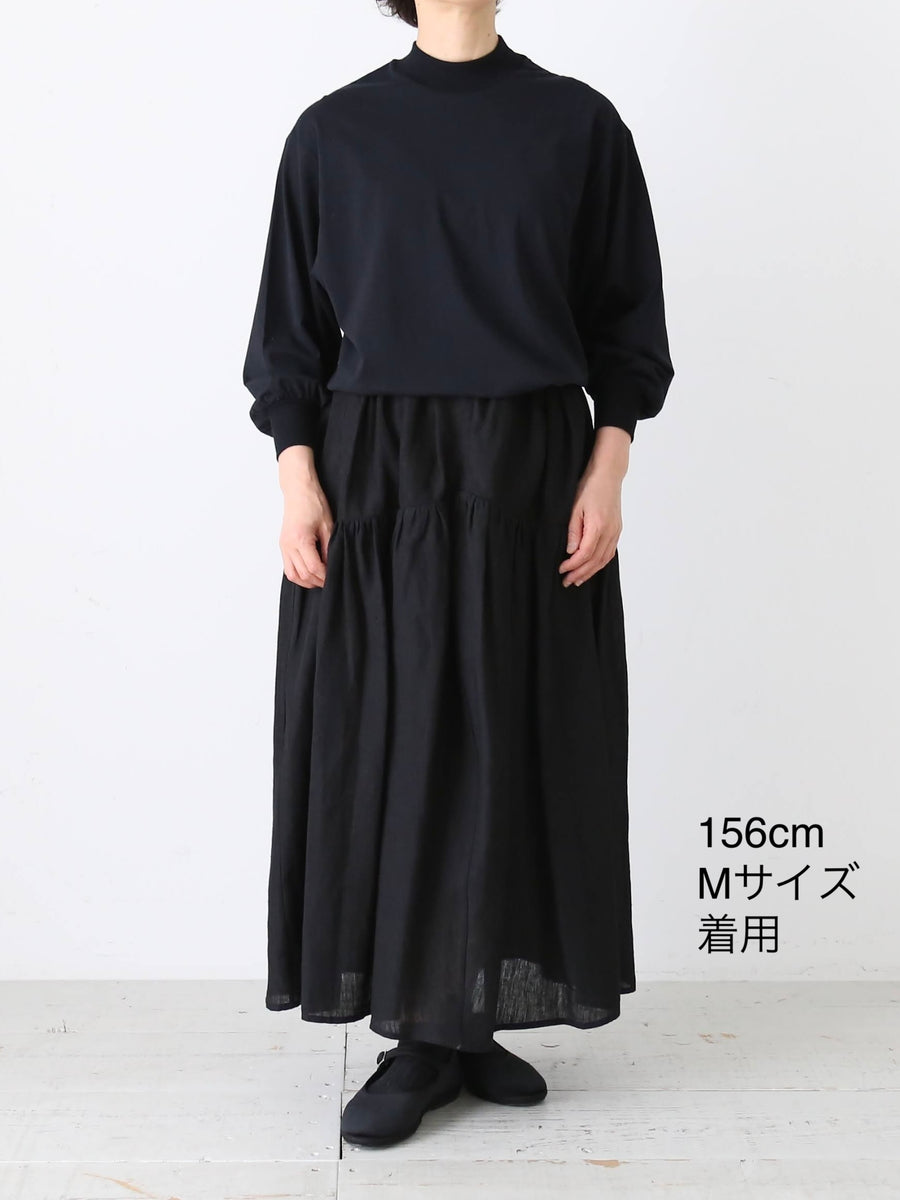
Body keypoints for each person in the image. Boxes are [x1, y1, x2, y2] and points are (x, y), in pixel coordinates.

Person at [242, 0, 674, 1150]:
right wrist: (297, 476)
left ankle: (469, 1015)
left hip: (533, 464)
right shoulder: (335, 133)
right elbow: (289, 334)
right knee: (393, 735)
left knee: (516, 734)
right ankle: (419, 1030)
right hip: (378, 473)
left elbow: (628, 322)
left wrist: (609, 469)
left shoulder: (578, 126)